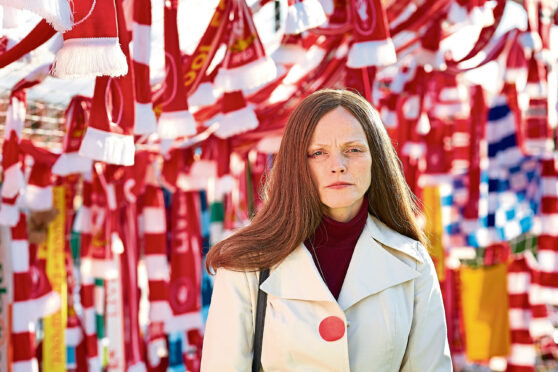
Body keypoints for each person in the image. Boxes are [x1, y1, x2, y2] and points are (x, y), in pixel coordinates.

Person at [201, 89, 452, 371]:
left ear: (376, 159)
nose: (338, 166)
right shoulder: (244, 264)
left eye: (353, 150)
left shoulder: (412, 262)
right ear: (296, 164)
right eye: (318, 153)